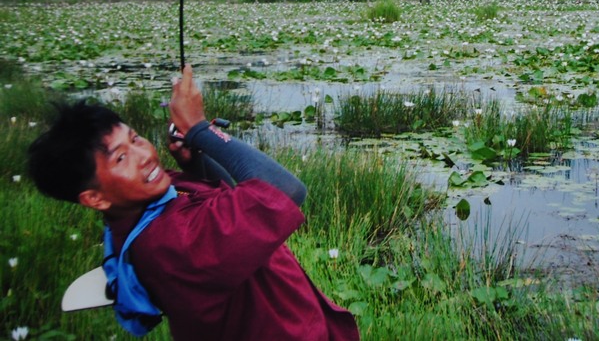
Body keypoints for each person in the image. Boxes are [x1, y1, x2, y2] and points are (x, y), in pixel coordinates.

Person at [28, 65, 359, 340]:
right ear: (94, 198)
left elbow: (235, 198)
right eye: (121, 158)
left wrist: (194, 162)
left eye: (135, 138)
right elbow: (284, 191)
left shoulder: (154, 198)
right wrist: (200, 130)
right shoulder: (173, 244)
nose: (143, 156)